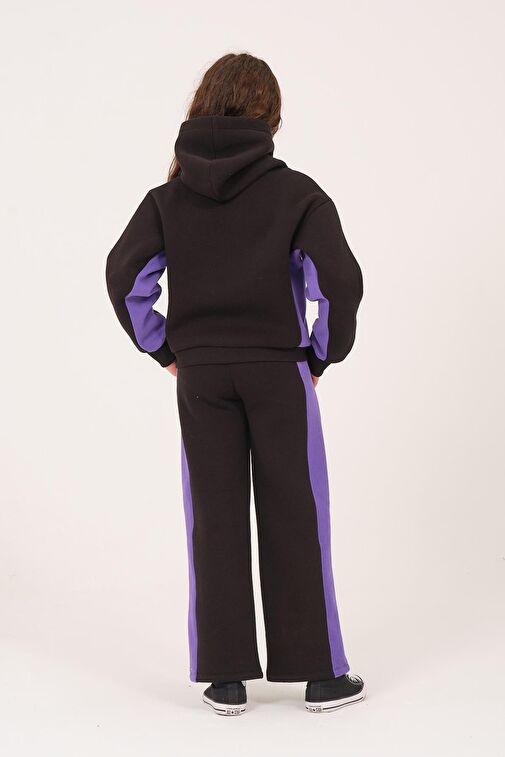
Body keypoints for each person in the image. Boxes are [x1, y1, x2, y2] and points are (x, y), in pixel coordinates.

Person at [105, 52, 365, 716]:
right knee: (297, 511)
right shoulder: (296, 193)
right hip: (279, 371)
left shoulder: (167, 199)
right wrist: (322, 355)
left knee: (212, 516)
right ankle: (319, 674)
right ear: (270, 116)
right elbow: (338, 281)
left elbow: (123, 275)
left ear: (201, 105)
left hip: (202, 377)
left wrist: (165, 346)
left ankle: (224, 677)